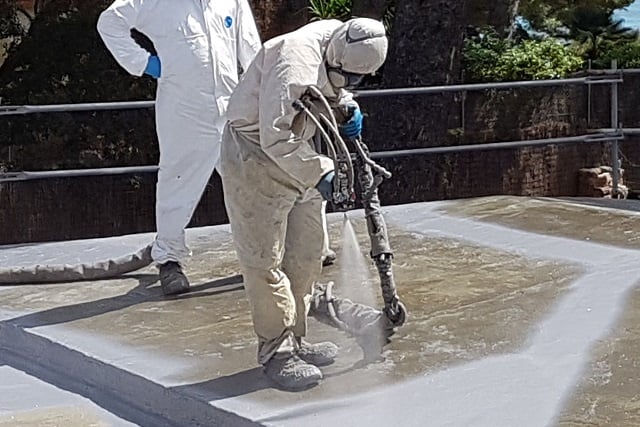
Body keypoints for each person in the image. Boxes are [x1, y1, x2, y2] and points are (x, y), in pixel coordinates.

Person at [219, 17, 388, 390]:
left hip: (300, 148)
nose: (350, 85)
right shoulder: (293, 60)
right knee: (264, 259)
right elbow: (274, 134)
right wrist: (320, 173)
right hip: (255, 153)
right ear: (334, 57)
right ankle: (276, 352)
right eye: (347, 77)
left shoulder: (339, 39)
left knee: (307, 252)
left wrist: (346, 105)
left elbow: (326, 91)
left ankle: (296, 337)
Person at [96, 0, 261, 295]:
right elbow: (110, 22)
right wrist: (146, 64)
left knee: (251, 182)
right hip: (184, 110)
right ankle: (169, 259)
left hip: (231, 107)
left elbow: (251, 50)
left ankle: (264, 253)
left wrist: (260, 93)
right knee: (177, 181)